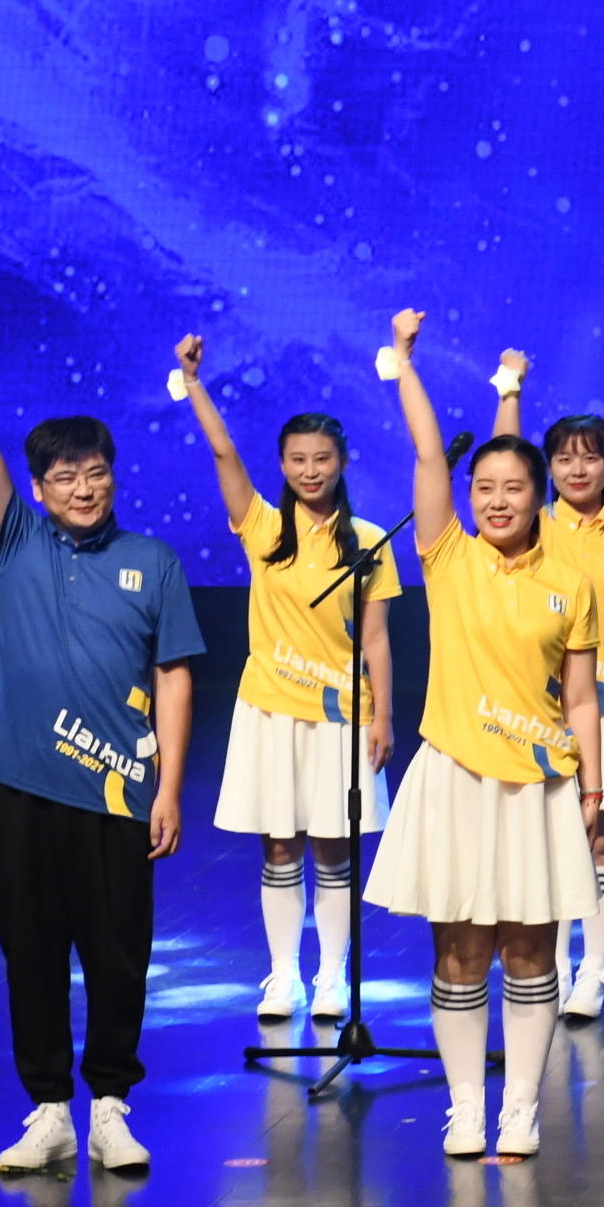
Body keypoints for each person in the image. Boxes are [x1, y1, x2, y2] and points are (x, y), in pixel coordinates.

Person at [0, 300, 199, 1181]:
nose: (84, 488)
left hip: (119, 789)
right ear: (39, 490)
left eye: (97, 472)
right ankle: (49, 1111)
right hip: (24, 786)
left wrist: (168, 787)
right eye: (66, 477)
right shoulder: (18, 544)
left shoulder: (153, 561)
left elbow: (174, 675)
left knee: (120, 954)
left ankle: (110, 1106)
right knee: (31, 952)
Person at [367, 312, 603, 1160]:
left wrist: (592, 786)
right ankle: (467, 1106)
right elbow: (430, 456)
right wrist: (405, 364)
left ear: (539, 497)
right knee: (461, 949)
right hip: (455, 779)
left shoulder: (570, 583)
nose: (497, 501)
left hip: (537, 786)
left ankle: (522, 1107)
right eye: (485, 490)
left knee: (531, 948)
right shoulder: (449, 558)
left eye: (513, 489)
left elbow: (582, 699)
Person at [171, 340, 397, 1024]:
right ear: (282, 465)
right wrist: (194, 383)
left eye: (321, 459)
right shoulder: (264, 529)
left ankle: (331, 978)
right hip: (270, 710)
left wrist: (384, 716)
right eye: (297, 459)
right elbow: (223, 455)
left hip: (341, 717)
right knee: (278, 847)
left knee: (333, 848)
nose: (309, 470)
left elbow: (377, 639)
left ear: (342, 463)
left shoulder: (369, 540)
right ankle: (282, 977)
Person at [496, 364, 604, 1022]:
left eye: (589, 458)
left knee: (602, 844)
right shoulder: (533, 526)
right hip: (540, 713)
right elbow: (505, 455)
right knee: (548, 844)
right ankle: (554, 963)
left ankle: (592, 971)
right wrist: (509, 391)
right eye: (563, 458)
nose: (576, 469)